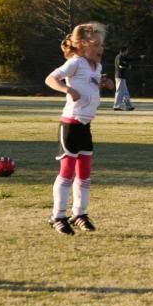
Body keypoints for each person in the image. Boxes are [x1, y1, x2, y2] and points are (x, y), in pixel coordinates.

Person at [44, 22, 107, 235]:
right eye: (96, 44)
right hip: (70, 125)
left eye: (102, 45)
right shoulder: (76, 62)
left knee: (85, 173)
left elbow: (90, 85)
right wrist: (67, 89)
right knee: (67, 171)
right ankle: (57, 216)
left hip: (85, 126)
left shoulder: (96, 67)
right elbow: (50, 78)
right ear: (81, 45)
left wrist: (102, 84)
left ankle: (79, 213)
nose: (101, 49)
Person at [112, 46, 135, 111]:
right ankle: (116, 106)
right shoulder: (119, 57)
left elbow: (130, 59)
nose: (127, 52)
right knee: (119, 91)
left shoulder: (122, 57)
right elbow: (120, 66)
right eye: (126, 51)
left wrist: (139, 58)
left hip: (122, 77)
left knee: (125, 92)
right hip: (119, 77)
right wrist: (127, 66)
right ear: (123, 51)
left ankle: (128, 106)